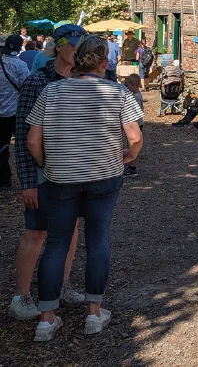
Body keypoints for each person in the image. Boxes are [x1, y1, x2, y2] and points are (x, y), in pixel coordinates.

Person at [26, 34, 143, 341]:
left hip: (60, 178)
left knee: (56, 244)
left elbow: (32, 140)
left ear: (77, 61)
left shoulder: (51, 91)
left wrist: (44, 164)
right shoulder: (117, 92)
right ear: (105, 62)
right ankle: (93, 314)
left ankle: (46, 318)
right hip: (104, 176)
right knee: (98, 240)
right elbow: (134, 136)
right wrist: (131, 156)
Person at [9, 25, 87, 323]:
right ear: (58, 47)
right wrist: (28, 183)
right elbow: (24, 135)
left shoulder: (85, 81)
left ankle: (61, 286)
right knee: (37, 232)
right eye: (74, 46)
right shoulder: (37, 82)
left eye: (83, 47)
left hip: (74, 173)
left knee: (71, 230)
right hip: (43, 174)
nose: (79, 52)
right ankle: (21, 296)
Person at [1, 35, 29, 188]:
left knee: (2, 145)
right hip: (17, 111)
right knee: (24, 146)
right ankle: (27, 180)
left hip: (1, 112)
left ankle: (4, 179)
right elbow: (25, 86)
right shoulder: (21, 65)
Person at [122, 74, 144, 178]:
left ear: (132, 85)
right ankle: (131, 165)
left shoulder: (136, 98)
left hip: (135, 124)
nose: (126, 88)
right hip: (137, 123)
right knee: (130, 145)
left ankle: (132, 168)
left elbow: (134, 113)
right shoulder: (137, 96)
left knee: (132, 146)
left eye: (127, 85)